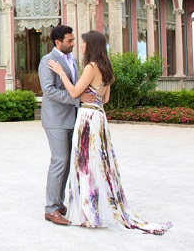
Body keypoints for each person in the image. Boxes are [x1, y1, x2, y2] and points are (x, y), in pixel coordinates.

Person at [48, 30, 171, 235]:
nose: (82, 46)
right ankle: (96, 206)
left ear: (92, 45)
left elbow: (73, 92)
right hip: (100, 117)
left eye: (84, 43)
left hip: (87, 118)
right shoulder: (106, 68)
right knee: (99, 161)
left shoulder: (91, 66)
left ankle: (88, 211)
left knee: (86, 163)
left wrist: (61, 73)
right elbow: (104, 99)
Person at [39, 25, 95, 226]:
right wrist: (77, 99)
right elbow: (49, 91)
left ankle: (59, 203)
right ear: (58, 42)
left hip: (72, 118)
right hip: (55, 119)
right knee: (59, 161)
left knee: (68, 162)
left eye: (73, 40)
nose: (73, 44)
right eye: (69, 41)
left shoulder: (72, 60)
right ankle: (51, 209)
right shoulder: (47, 61)